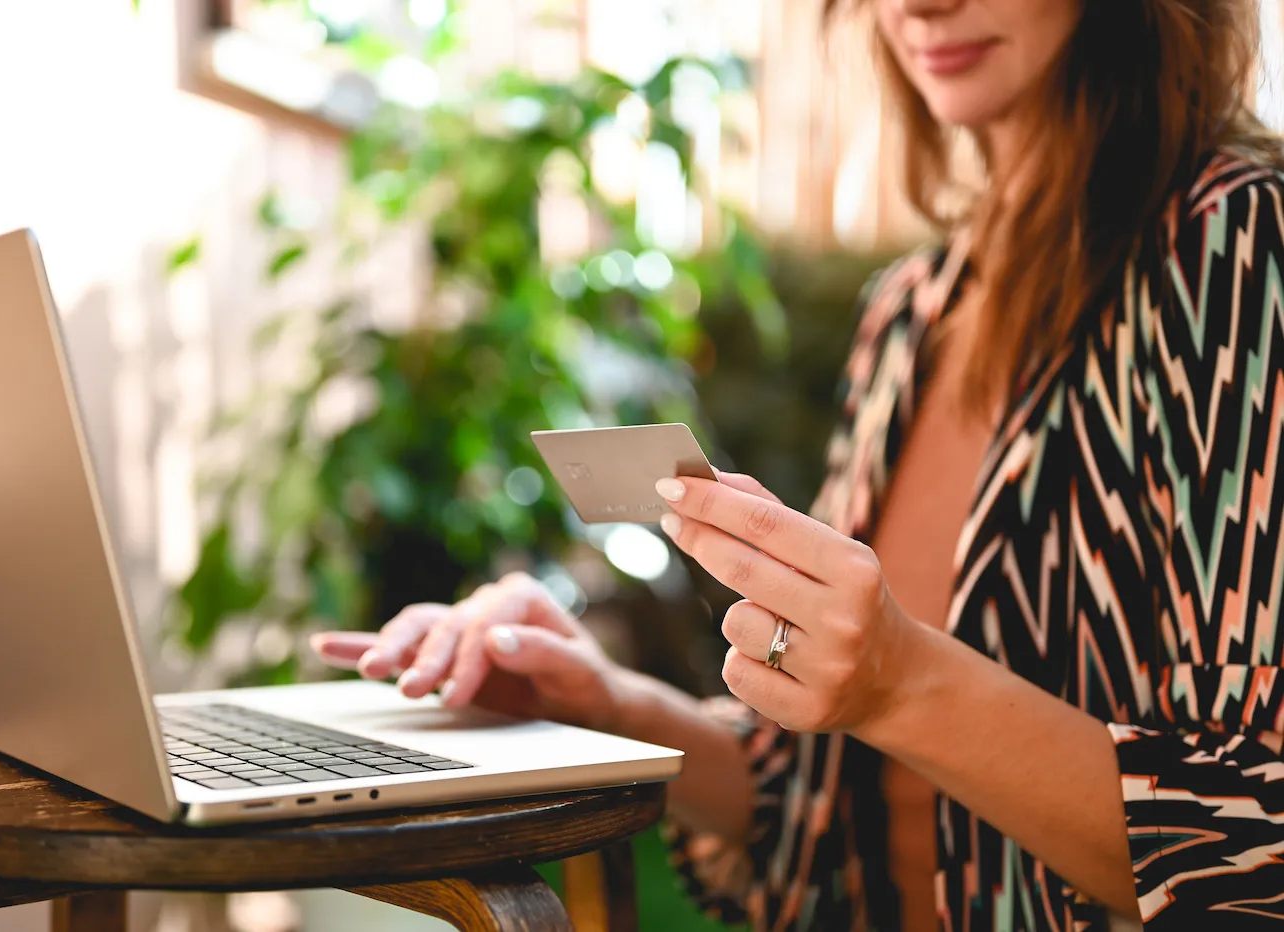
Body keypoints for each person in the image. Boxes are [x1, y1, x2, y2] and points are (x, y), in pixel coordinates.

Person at [311, 0, 1284, 927]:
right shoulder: (910, 312)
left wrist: (901, 679)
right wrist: (598, 702)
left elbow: (1254, 845)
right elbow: (820, 807)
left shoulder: (1236, 252)